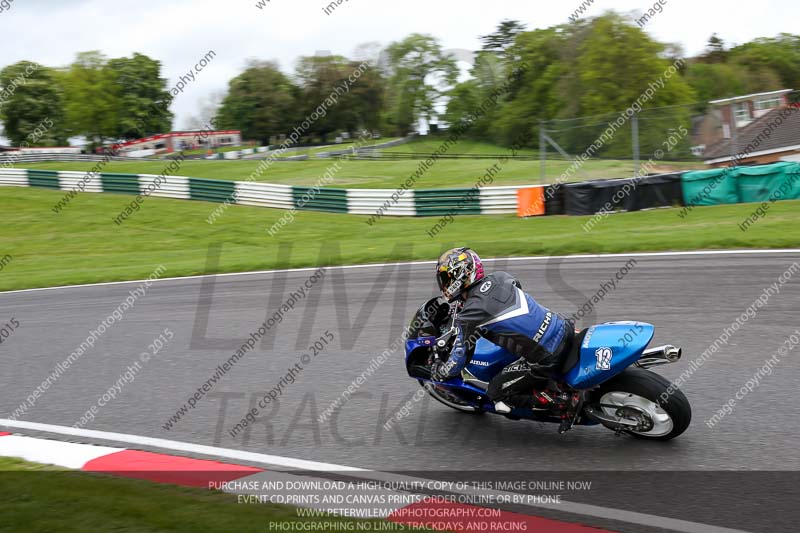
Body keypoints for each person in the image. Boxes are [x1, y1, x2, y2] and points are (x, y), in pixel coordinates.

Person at [430, 247, 577, 418]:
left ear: (459, 276)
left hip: (547, 355)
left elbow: (461, 355)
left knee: (495, 391)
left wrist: (443, 371)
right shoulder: (500, 277)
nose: (444, 283)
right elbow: (516, 289)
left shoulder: (470, 314)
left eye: (446, 278)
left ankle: (561, 404)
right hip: (563, 325)